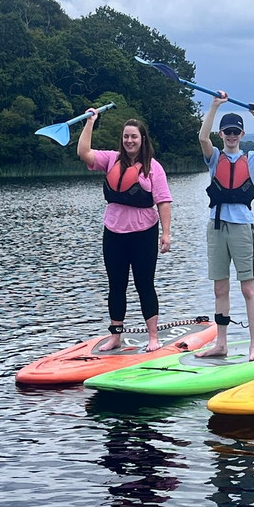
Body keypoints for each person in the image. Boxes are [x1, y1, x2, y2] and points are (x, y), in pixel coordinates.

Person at [195, 94, 254, 360]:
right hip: (216, 226)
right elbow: (203, 138)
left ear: (242, 133)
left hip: (242, 227)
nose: (232, 136)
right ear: (222, 134)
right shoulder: (214, 157)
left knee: (248, 288)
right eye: (227, 132)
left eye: (236, 132)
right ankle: (221, 344)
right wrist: (214, 106)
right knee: (220, 288)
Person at [77, 109, 172, 351]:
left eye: (134, 137)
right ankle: (115, 336)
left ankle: (153, 337)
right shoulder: (110, 159)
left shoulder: (154, 168)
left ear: (142, 140)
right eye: (126, 137)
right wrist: (90, 122)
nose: (129, 141)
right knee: (116, 285)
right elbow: (83, 153)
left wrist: (166, 233)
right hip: (114, 233)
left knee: (144, 284)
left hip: (144, 234)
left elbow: (163, 201)